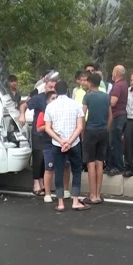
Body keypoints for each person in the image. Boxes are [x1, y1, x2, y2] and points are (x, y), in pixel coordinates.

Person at [44, 80, 89, 212]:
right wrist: (69, 141)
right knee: (76, 170)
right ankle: (75, 200)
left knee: (58, 170)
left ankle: (60, 202)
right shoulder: (76, 104)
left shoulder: (50, 106)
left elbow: (48, 128)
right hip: (73, 143)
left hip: (58, 144)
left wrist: (61, 141)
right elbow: (80, 126)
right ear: (68, 90)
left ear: (56, 91)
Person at [19, 74, 58, 196]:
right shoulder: (38, 98)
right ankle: (36, 183)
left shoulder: (56, 100)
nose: (51, 89)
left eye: (53, 87)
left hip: (51, 133)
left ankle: (43, 182)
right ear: (45, 87)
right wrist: (22, 115)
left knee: (47, 159)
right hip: (39, 132)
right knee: (38, 157)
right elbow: (23, 105)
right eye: (49, 87)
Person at [81, 73, 112, 204]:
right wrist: (106, 128)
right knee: (100, 162)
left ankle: (92, 195)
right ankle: (98, 195)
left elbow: (82, 115)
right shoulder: (106, 96)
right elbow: (111, 116)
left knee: (91, 163)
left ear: (90, 83)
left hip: (91, 131)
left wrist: (82, 132)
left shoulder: (87, 96)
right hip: (103, 131)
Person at [35, 91, 63, 203]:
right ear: (47, 101)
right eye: (52, 98)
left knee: (63, 167)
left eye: (56, 97)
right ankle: (47, 193)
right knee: (49, 168)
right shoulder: (43, 112)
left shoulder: (62, 112)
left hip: (61, 143)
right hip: (49, 144)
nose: (55, 100)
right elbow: (38, 128)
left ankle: (62, 191)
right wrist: (48, 126)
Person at [107, 65, 128, 176]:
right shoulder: (124, 84)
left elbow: (113, 102)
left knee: (114, 142)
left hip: (116, 116)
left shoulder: (117, 86)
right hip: (121, 115)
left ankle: (117, 166)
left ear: (116, 73)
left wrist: (104, 102)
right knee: (117, 141)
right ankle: (117, 165)